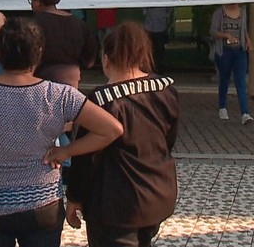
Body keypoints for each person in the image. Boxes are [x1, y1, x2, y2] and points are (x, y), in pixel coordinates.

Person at [0, 17, 123, 247]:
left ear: (0, 52)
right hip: (42, 203)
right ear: (39, 51)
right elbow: (111, 129)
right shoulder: (58, 95)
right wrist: (66, 151)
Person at [66, 22, 179, 247]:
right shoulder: (166, 90)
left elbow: (86, 157)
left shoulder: (102, 100)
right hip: (158, 193)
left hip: (115, 203)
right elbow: (168, 141)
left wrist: (74, 197)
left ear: (106, 58)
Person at [28, 0, 97, 89]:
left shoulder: (32, 25)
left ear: (37, 1)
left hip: (40, 82)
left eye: (31, 0)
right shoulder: (79, 23)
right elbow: (89, 61)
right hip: (72, 82)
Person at [210, 3, 254, 124]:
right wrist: (226, 35)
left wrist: (248, 40)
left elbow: (243, 29)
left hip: (239, 50)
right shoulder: (219, 12)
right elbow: (213, 31)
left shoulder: (242, 12)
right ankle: (222, 107)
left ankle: (245, 113)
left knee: (240, 81)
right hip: (224, 50)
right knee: (225, 78)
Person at [143, 6, 173, 74]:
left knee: (159, 49)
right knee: (150, 49)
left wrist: (166, 16)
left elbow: (169, 10)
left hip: (160, 28)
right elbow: (144, 11)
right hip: (150, 27)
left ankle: (159, 68)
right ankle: (150, 67)